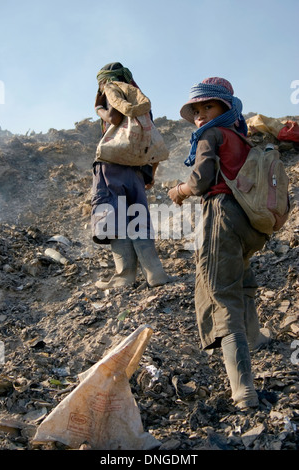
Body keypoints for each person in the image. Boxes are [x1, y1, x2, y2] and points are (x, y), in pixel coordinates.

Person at [168, 77, 271, 410]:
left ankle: (243, 391)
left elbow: (199, 182)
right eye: (196, 110)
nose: (200, 115)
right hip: (249, 222)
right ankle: (255, 337)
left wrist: (178, 191)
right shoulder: (240, 136)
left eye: (207, 107)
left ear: (225, 107)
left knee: (221, 295)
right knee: (241, 280)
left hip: (222, 216)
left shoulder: (211, 135)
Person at [91, 62, 171, 289]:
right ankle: (155, 274)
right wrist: (151, 175)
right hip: (136, 172)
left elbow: (114, 118)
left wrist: (98, 108)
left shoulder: (111, 90)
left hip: (111, 168)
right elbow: (151, 143)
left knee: (114, 218)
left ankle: (124, 277)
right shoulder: (140, 102)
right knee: (138, 219)